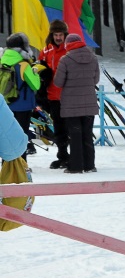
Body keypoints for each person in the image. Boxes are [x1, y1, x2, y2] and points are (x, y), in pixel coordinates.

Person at [53, 34, 100, 173]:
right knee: (87, 134)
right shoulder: (93, 58)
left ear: (68, 44)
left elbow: (58, 82)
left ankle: (76, 166)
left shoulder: (65, 59)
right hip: (89, 102)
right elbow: (96, 80)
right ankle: (89, 165)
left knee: (74, 135)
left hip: (71, 104)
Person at [36, 20, 70, 168]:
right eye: (55, 34)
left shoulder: (69, 49)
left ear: (65, 35)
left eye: (60, 34)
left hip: (68, 95)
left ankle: (75, 156)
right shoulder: (45, 51)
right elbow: (39, 71)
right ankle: (62, 155)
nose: (58, 37)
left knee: (71, 127)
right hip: (52, 95)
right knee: (59, 128)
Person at [2, 33, 40, 159]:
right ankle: (20, 166)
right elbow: (35, 85)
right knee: (21, 138)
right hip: (22, 107)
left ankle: (7, 165)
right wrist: (35, 72)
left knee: (6, 138)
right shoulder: (23, 64)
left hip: (4, 106)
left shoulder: (2, 61)